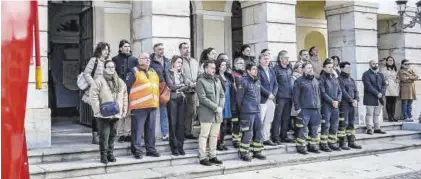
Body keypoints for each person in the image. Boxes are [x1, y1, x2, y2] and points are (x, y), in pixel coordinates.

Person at [90, 60, 128, 164]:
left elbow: (125, 96)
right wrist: (98, 111)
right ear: (104, 68)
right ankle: (103, 155)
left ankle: (110, 154)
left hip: (116, 113)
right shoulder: (98, 81)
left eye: (112, 67)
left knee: (112, 135)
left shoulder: (120, 82)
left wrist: (124, 110)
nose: (111, 69)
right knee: (104, 136)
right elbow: (93, 97)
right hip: (104, 114)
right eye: (109, 67)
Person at [126, 52, 160, 159]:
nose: (147, 60)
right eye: (144, 58)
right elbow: (127, 88)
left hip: (152, 105)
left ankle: (151, 149)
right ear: (139, 60)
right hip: (139, 106)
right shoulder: (134, 71)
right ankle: (137, 150)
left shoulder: (153, 71)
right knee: (137, 130)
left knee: (150, 129)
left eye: (148, 58)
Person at [196, 60, 225, 166]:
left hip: (218, 113)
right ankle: (203, 157)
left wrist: (220, 107)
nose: (214, 70)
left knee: (214, 135)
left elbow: (222, 95)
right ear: (205, 68)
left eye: (214, 68)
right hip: (206, 113)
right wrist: (215, 107)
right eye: (211, 68)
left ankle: (213, 156)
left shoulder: (217, 80)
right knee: (204, 135)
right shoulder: (200, 81)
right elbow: (202, 98)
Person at [82, 42, 111, 145]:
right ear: (100, 50)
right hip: (94, 91)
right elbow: (86, 73)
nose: (106, 52)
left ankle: (104, 135)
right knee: (96, 114)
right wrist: (94, 84)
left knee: (105, 114)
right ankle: (96, 136)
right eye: (104, 49)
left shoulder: (108, 62)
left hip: (105, 92)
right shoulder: (94, 60)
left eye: (107, 50)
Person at [237, 63, 266, 161]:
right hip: (247, 112)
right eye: (253, 69)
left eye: (256, 69)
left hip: (257, 111)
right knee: (248, 133)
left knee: (258, 132)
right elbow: (239, 99)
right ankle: (244, 152)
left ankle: (257, 151)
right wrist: (243, 110)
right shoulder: (243, 81)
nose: (256, 71)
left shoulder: (257, 81)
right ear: (248, 71)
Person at [112, 39, 138, 143]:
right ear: (120, 48)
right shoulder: (115, 59)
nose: (127, 48)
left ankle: (128, 133)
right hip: (118, 89)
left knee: (128, 112)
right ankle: (120, 133)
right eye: (125, 46)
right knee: (120, 111)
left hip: (130, 89)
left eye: (128, 46)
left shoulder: (134, 59)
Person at [293, 63, 322, 154]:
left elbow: (319, 95)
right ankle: (301, 146)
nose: (310, 69)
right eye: (308, 68)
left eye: (311, 68)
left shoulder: (316, 81)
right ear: (303, 70)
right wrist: (297, 107)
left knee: (315, 128)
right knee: (303, 129)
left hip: (316, 109)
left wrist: (319, 105)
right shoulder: (299, 81)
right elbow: (295, 96)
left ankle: (313, 145)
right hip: (304, 109)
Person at [166, 55, 190, 156]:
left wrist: (179, 87)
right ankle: (174, 147)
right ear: (173, 63)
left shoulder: (182, 74)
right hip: (172, 100)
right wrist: (181, 86)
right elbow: (171, 86)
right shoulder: (168, 73)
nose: (180, 64)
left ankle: (181, 146)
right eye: (178, 62)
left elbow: (188, 85)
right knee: (173, 124)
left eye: (181, 62)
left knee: (181, 124)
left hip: (182, 99)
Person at [337, 61, 362, 150]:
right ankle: (342, 142)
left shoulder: (351, 79)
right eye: (347, 67)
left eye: (349, 67)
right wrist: (351, 100)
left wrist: (356, 99)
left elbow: (356, 90)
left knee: (351, 123)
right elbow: (343, 92)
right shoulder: (339, 79)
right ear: (342, 68)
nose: (349, 69)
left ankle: (351, 141)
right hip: (344, 104)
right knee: (344, 123)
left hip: (352, 104)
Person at [319, 60, 342, 152]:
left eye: (332, 67)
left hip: (336, 105)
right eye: (329, 67)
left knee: (335, 124)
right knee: (326, 124)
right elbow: (322, 93)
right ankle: (324, 144)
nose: (331, 69)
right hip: (326, 105)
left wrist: (338, 101)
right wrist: (332, 101)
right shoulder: (322, 79)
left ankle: (332, 142)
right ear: (324, 68)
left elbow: (340, 91)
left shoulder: (334, 78)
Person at [272, 50, 294, 145]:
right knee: (278, 117)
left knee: (286, 118)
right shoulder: (276, 69)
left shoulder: (289, 69)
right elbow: (274, 83)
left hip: (289, 96)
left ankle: (283, 136)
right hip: (280, 97)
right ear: (281, 59)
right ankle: (275, 137)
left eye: (288, 58)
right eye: (286, 58)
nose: (288, 60)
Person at [257, 50, 278, 146]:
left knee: (269, 119)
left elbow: (276, 84)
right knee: (260, 120)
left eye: (267, 58)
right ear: (260, 60)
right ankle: (258, 139)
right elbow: (258, 84)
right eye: (264, 58)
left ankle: (266, 138)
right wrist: (268, 94)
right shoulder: (257, 70)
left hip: (271, 99)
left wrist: (273, 93)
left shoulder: (271, 70)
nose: (266, 60)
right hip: (262, 99)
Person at [150, 43, 170, 141]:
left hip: (164, 88)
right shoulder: (150, 61)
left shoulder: (167, 61)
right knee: (152, 111)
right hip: (153, 88)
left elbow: (169, 74)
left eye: (162, 49)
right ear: (154, 50)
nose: (161, 51)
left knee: (164, 111)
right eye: (159, 49)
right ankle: (150, 134)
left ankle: (165, 133)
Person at [179, 42, 199, 140]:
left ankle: (189, 131)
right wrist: (190, 83)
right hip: (183, 90)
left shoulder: (194, 61)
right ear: (180, 50)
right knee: (183, 112)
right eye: (184, 48)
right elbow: (181, 75)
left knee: (192, 112)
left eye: (188, 48)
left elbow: (199, 73)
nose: (187, 50)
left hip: (194, 91)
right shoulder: (179, 61)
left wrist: (196, 83)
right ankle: (182, 132)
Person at [362, 60, 387, 135]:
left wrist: (381, 93)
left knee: (377, 113)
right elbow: (368, 86)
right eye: (373, 64)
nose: (375, 65)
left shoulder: (380, 74)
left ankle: (377, 128)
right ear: (370, 65)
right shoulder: (366, 74)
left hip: (379, 97)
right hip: (370, 96)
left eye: (376, 63)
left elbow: (384, 85)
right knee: (369, 113)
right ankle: (369, 128)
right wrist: (377, 93)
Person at [216, 54, 233, 151]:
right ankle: (218, 143)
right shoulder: (216, 76)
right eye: (222, 65)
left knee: (225, 124)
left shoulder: (228, 76)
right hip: (220, 102)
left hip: (228, 102)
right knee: (220, 124)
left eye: (225, 65)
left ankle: (222, 142)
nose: (224, 67)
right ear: (218, 66)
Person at [231, 57, 246, 148]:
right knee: (236, 123)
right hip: (235, 103)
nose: (241, 65)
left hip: (245, 103)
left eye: (243, 63)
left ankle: (243, 138)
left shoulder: (245, 75)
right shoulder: (233, 75)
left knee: (244, 123)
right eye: (239, 63)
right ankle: (236, 140)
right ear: (235, 65)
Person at [383, 56, 399, 122]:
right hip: (388, 86)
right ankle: (389, 116)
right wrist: (386, 82)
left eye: (392, 60)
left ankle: (393, 116)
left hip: (394, 87)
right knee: (389, 101)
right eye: (389, 60)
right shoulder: (384, 69)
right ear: (386, 61)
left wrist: (397, 81)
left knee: (394, 102)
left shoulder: (395, 69)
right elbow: (382, 77)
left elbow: (397, 77)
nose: (390, 61)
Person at [291, 62, 303, 137]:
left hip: (303, 100)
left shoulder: (303, 76)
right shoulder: (293, 77)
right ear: (295, 69)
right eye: (300, 67)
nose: (302, 69)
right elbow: (293, 88)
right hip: (296, 100)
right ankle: (296, 133)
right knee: (296, 117)